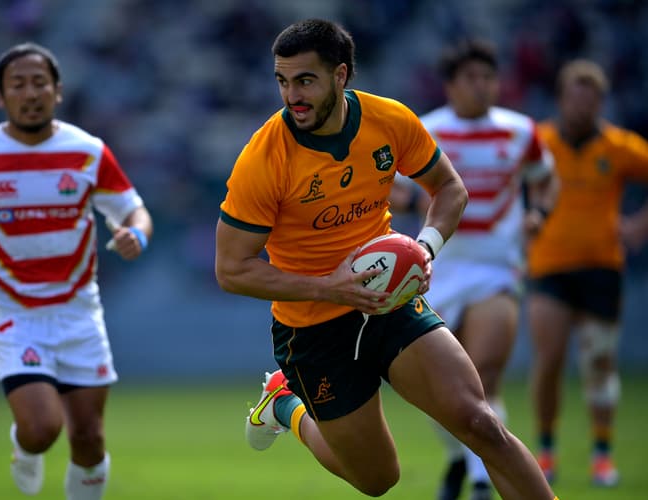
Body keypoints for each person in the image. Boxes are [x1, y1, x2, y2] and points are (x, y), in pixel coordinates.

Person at [215, 19, 557, 500]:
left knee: (481, 423)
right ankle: (286, 406)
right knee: (378, 480)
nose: (292, 95)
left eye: (305, 80)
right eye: (282, 81)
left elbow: (449, 188)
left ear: (341, 75)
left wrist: (424, 248)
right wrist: (328, 287)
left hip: (390, 305)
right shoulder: (264, 158)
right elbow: (231, 270)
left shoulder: (389, 119)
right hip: (312, 330)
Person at [0, 42, 153, 499]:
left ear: (58, 91)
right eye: (18, 84)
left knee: (88, 438)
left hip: (78, 310)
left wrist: (138, 234)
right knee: (42, 428)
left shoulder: (87, 151)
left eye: (39, 83)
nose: (30, 93)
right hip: (15, 313)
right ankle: (24, 446)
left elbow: (135, 212)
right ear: (1, 96)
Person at [389, 39, 557, 500]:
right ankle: (460, 457)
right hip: (434, 270)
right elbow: (389, 188)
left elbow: (545, 180)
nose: (482, 87)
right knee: (440, 391)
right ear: (451, 86)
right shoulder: (426, 130)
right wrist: (410, 205)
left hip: (496, 269)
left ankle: (482, 482)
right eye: (471, 78)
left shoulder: (521, 131)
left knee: (483, 375)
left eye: (489, 78)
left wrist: (537, 215)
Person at [526, 59, 648, 487]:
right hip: (549, 267)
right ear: (561, 98)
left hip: (602, 268)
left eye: (591, 98)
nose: (583, 106)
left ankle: (601, 453)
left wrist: (638, 225)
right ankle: (545, 451)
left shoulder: (619, 147)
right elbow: (506, 181)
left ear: (601, 101)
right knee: (550, 359)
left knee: (599, 360)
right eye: (576, 96)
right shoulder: (538, 142)